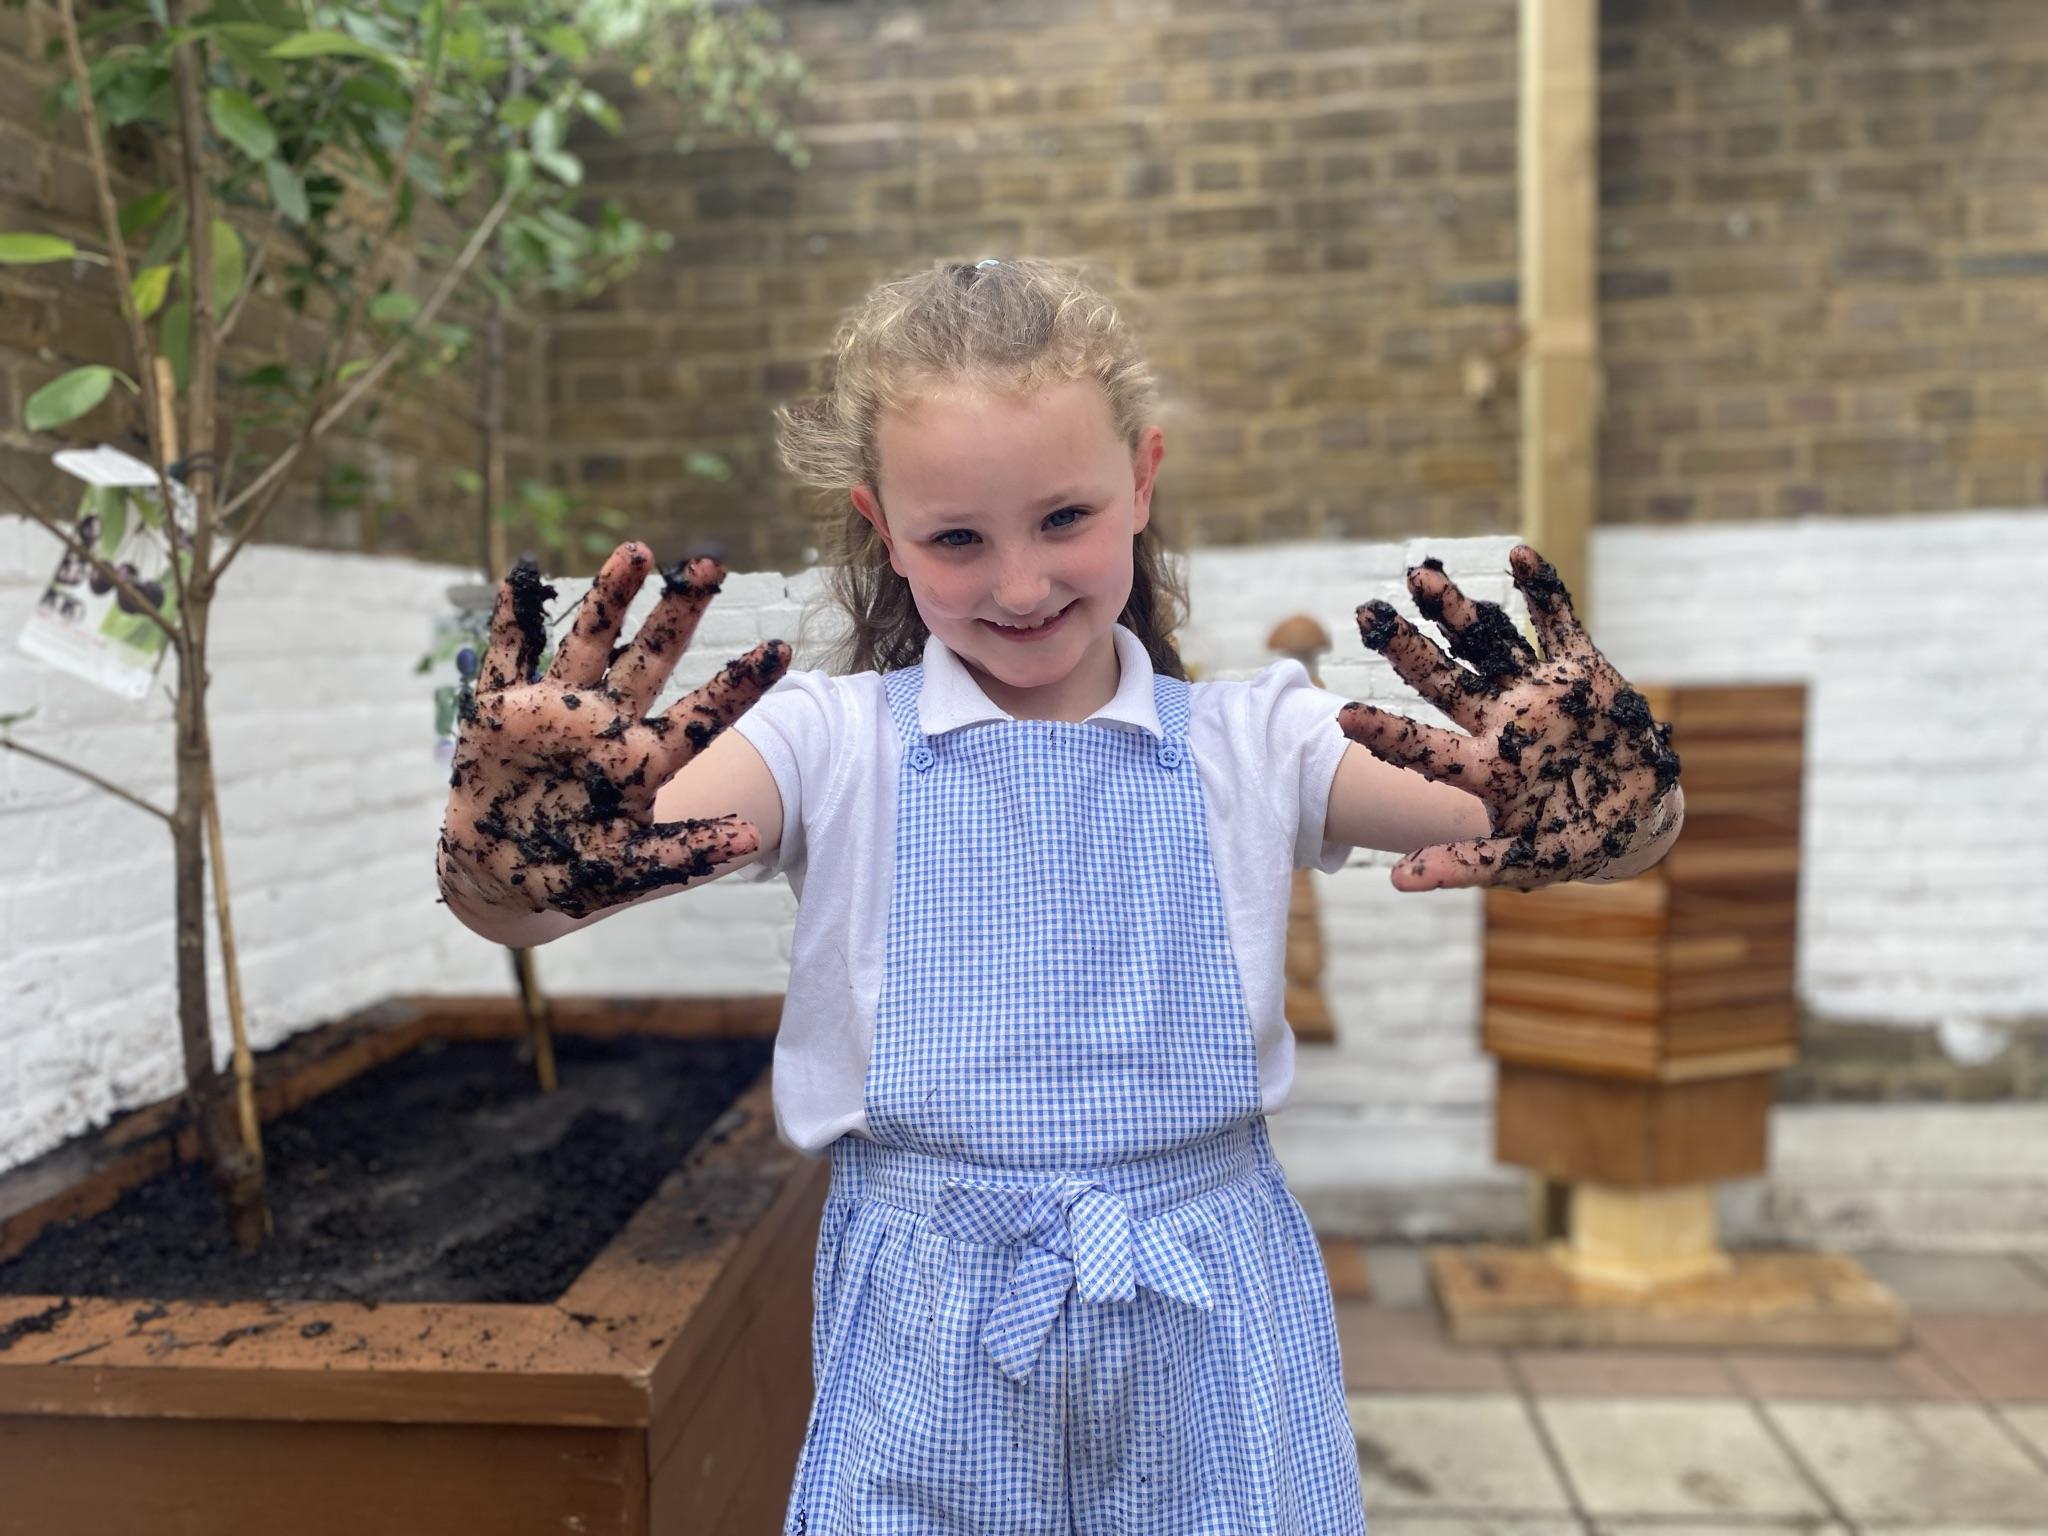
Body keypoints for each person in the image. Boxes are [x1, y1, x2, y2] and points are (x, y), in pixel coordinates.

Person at [437, 256, 1684, 1535]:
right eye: (956, 539)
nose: (1020, 586)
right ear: (882, 527)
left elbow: (1567, 833)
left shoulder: (1259, 742)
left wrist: (1626, 805)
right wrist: (495, 864)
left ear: (1140, 481)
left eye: (1064, 519)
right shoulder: (825, 742)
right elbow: (539, 899)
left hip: (1211, 1312)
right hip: (927, 1325)